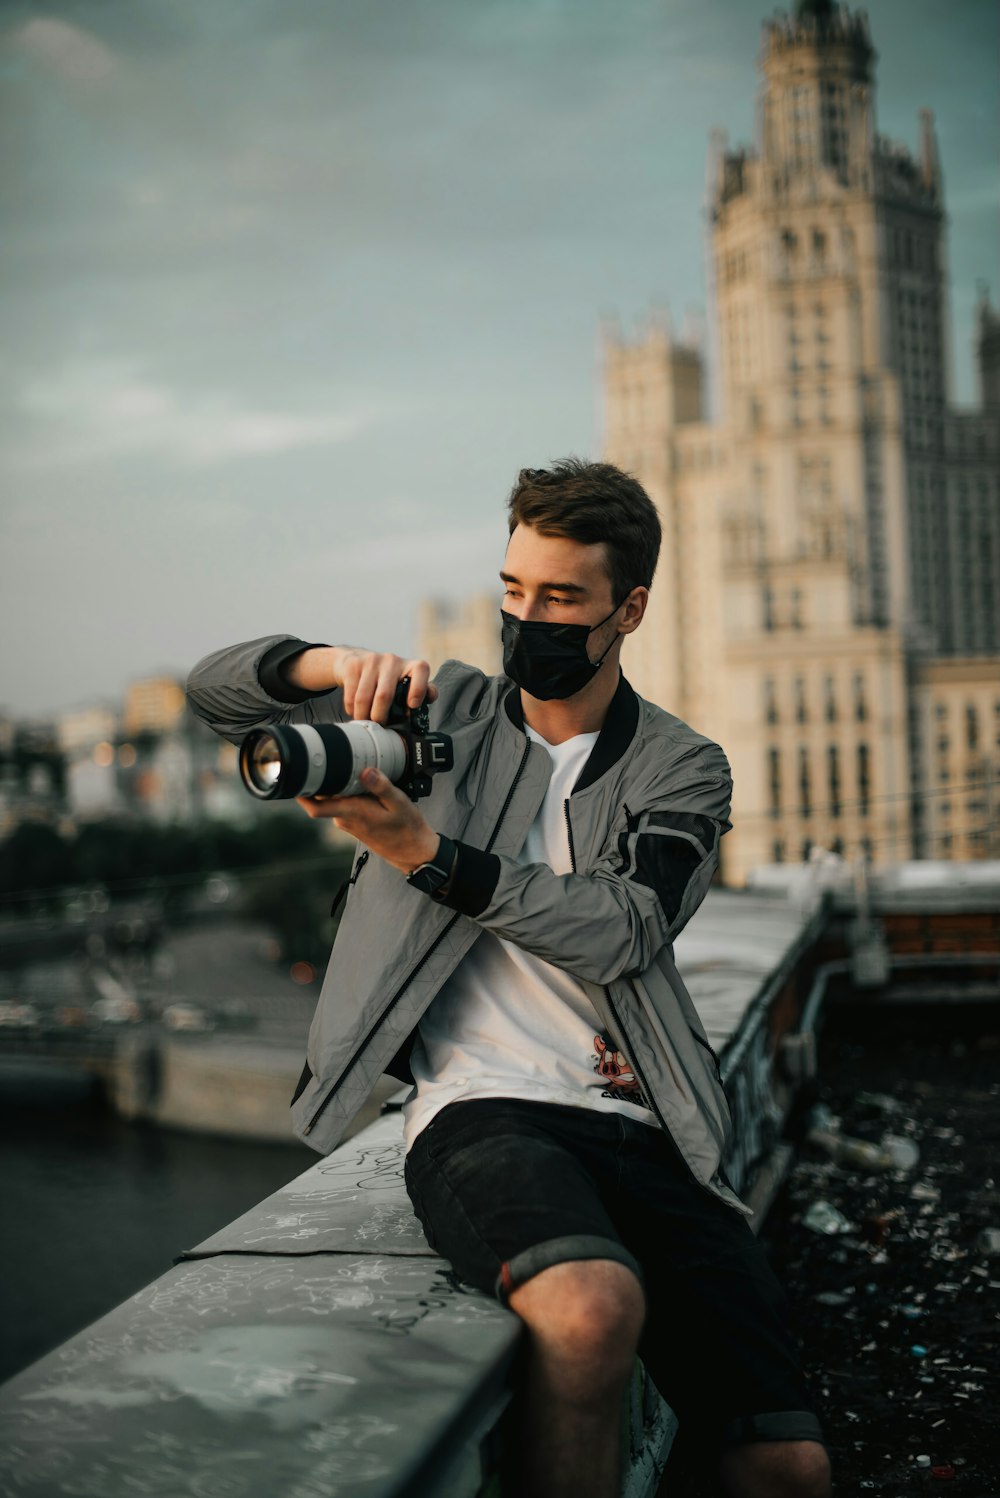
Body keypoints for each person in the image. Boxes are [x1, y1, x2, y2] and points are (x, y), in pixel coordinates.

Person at [186, 458, 831, 1498]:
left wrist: (426, 853)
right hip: (483, 1108)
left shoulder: (682, 764)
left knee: (787, 1462)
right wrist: (328, 665)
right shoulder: (447, 717)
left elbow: (626, 926)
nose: (528, 620)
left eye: (561, 599)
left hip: (642, 1115)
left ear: (629, 610)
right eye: (512, 593)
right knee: (588, 1307)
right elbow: (212, 690)